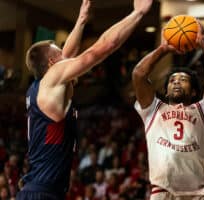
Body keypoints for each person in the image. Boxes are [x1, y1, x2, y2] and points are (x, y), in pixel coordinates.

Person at [16, 0, 153, 199]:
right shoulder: (53, 79)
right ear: (52, 63)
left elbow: (67, 54)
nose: (65, 53)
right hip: (42, 193)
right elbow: (102, 48)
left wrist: (81, 21)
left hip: (41, 190)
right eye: (58, 51)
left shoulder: (42, 86)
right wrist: (137, 14)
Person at [132, 22, 204, 200]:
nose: (176, 82)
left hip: (198, 194)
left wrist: (203, 42)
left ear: (194, 91)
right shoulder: (153, 109)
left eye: (183, 80)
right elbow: (138, 74)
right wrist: (163, 48)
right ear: (166, 90)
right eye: (172, 80)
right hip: (163, 193)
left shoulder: (203, 110)